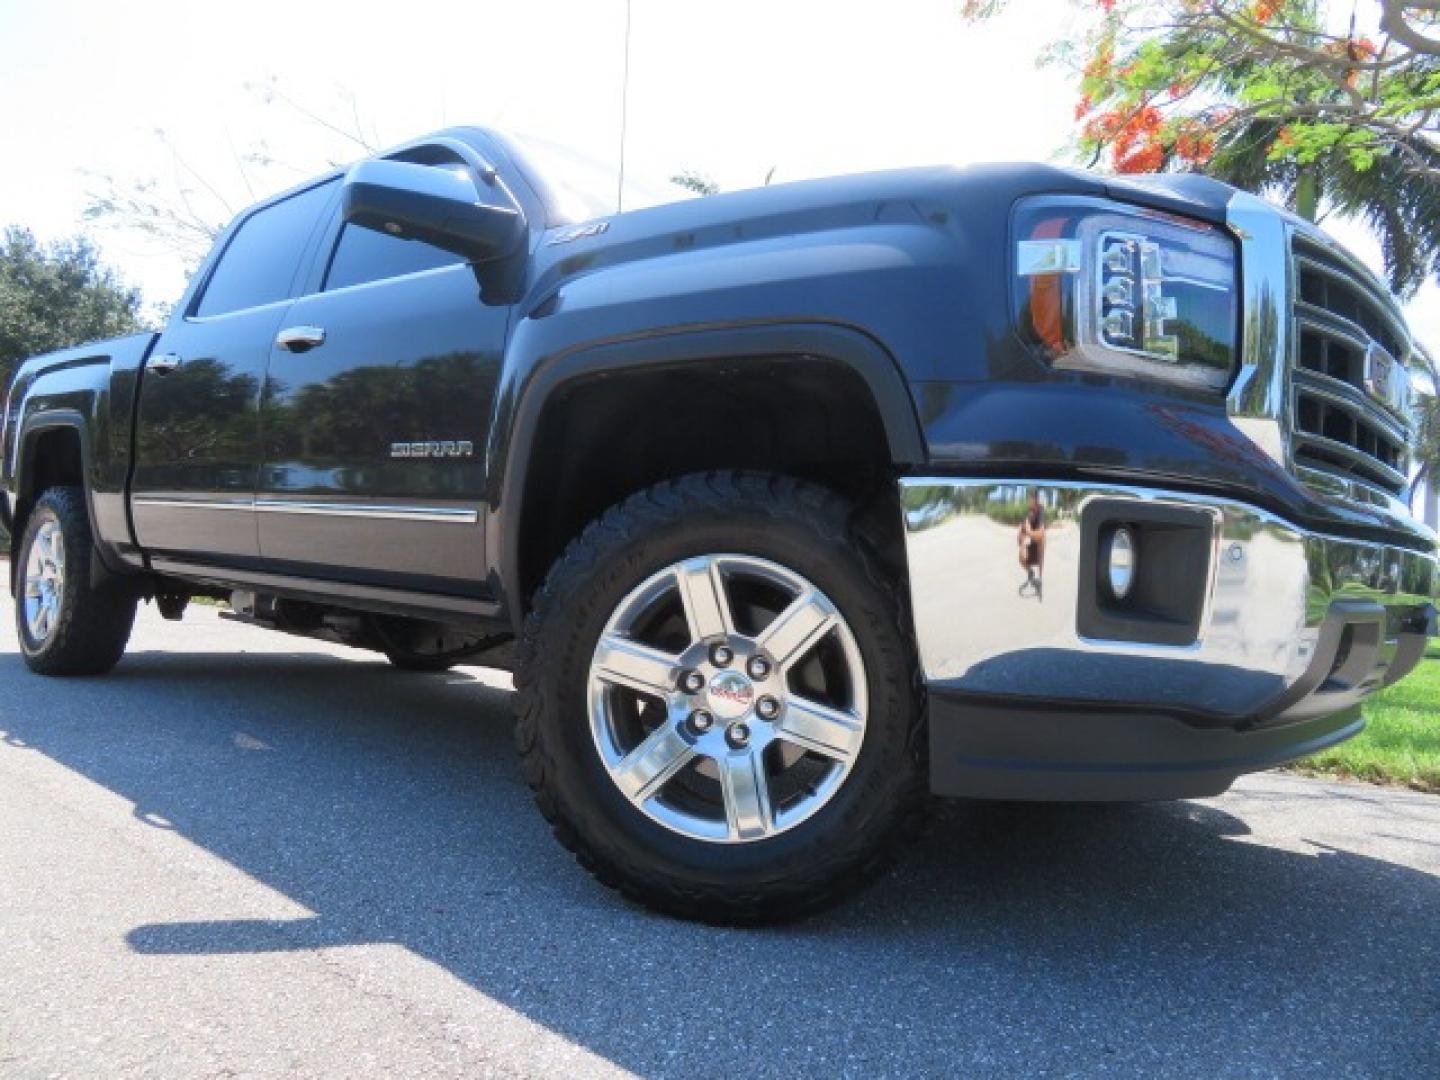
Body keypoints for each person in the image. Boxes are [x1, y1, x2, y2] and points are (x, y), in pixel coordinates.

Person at [1017, 490, 1046, 597]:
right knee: (1021, 558)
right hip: (1031, 541)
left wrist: (1029, 532)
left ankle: (1040, 578)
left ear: (1036, 500)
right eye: (1028, 499)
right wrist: (1021, 536)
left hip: (1038, 543)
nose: (1029, 501)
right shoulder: (1029, 511)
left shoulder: (1041, 510)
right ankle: (1030, 572)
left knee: (1042, 542)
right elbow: (1023, 525)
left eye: (1031, 499)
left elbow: (1041, 533)